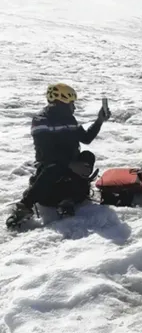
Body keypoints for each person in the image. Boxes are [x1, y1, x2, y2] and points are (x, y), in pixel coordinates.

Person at [6, 83, 110, 229]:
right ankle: (25, 205)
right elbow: (46, 154)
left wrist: (99, 121)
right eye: (71, 104)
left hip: (69, 166)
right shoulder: (41, 120)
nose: (74, 107)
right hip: (52, 167)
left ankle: (68, 199)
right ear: (60, 103)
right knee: (54, 167)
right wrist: (70, 164)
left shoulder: (70, 120)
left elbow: (86, 138)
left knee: (87, 156)